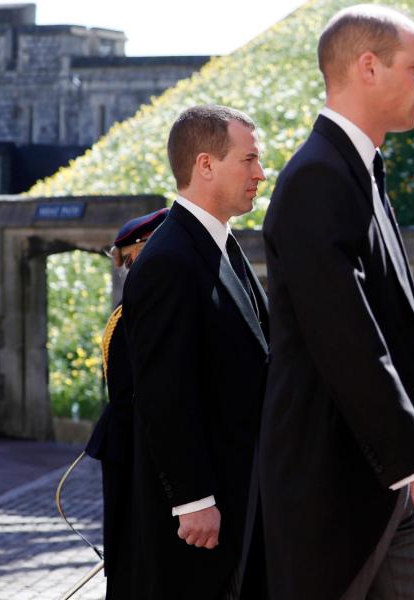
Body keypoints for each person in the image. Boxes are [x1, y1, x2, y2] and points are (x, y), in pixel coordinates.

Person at [257, 4, 414, 598]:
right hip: (332, 488)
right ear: (368, 67)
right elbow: (345, 339)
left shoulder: (359, 169)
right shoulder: (318, 178)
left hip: (381, 481)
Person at [121, 104, 269, 599]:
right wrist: (193, 498)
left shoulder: (218, 243)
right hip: (204, 515)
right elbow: (165, 391)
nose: (260, 173)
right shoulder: (170, 259)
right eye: (248, 160)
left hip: (241, 493)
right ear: (205, 165)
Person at [84, 207, 168, 600]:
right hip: (130, 442)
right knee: (129, 548)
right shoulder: (133, 312)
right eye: (129, 263)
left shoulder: (138, 309)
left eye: (133, 260)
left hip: (136, 440)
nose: (130, 270)